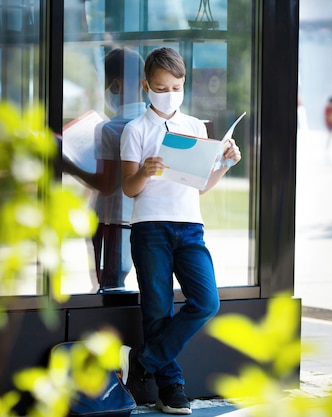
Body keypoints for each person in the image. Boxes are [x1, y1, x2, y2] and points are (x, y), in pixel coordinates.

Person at [119, 47, 241, 415]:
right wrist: (145, 171)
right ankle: (171, 388)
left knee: (206, 302)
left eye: (176, 86)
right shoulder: (135, 130)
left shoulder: (195, 126)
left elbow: (200, 185)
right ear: (146, 86)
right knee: (157, 308)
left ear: (183, 84)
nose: (169, 92)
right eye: (161, 86)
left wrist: (225, 165)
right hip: (150, 227)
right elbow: (128, 188)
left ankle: (142, 360)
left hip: (190, 227)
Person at [63, 47, 146, 292]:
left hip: (111, 222)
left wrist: (67, 164)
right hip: (141, 219)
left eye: (104, 84)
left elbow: (106, 184)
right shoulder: (152, 124)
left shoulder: (110, 129)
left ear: (116, 85)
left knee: (107, 287)